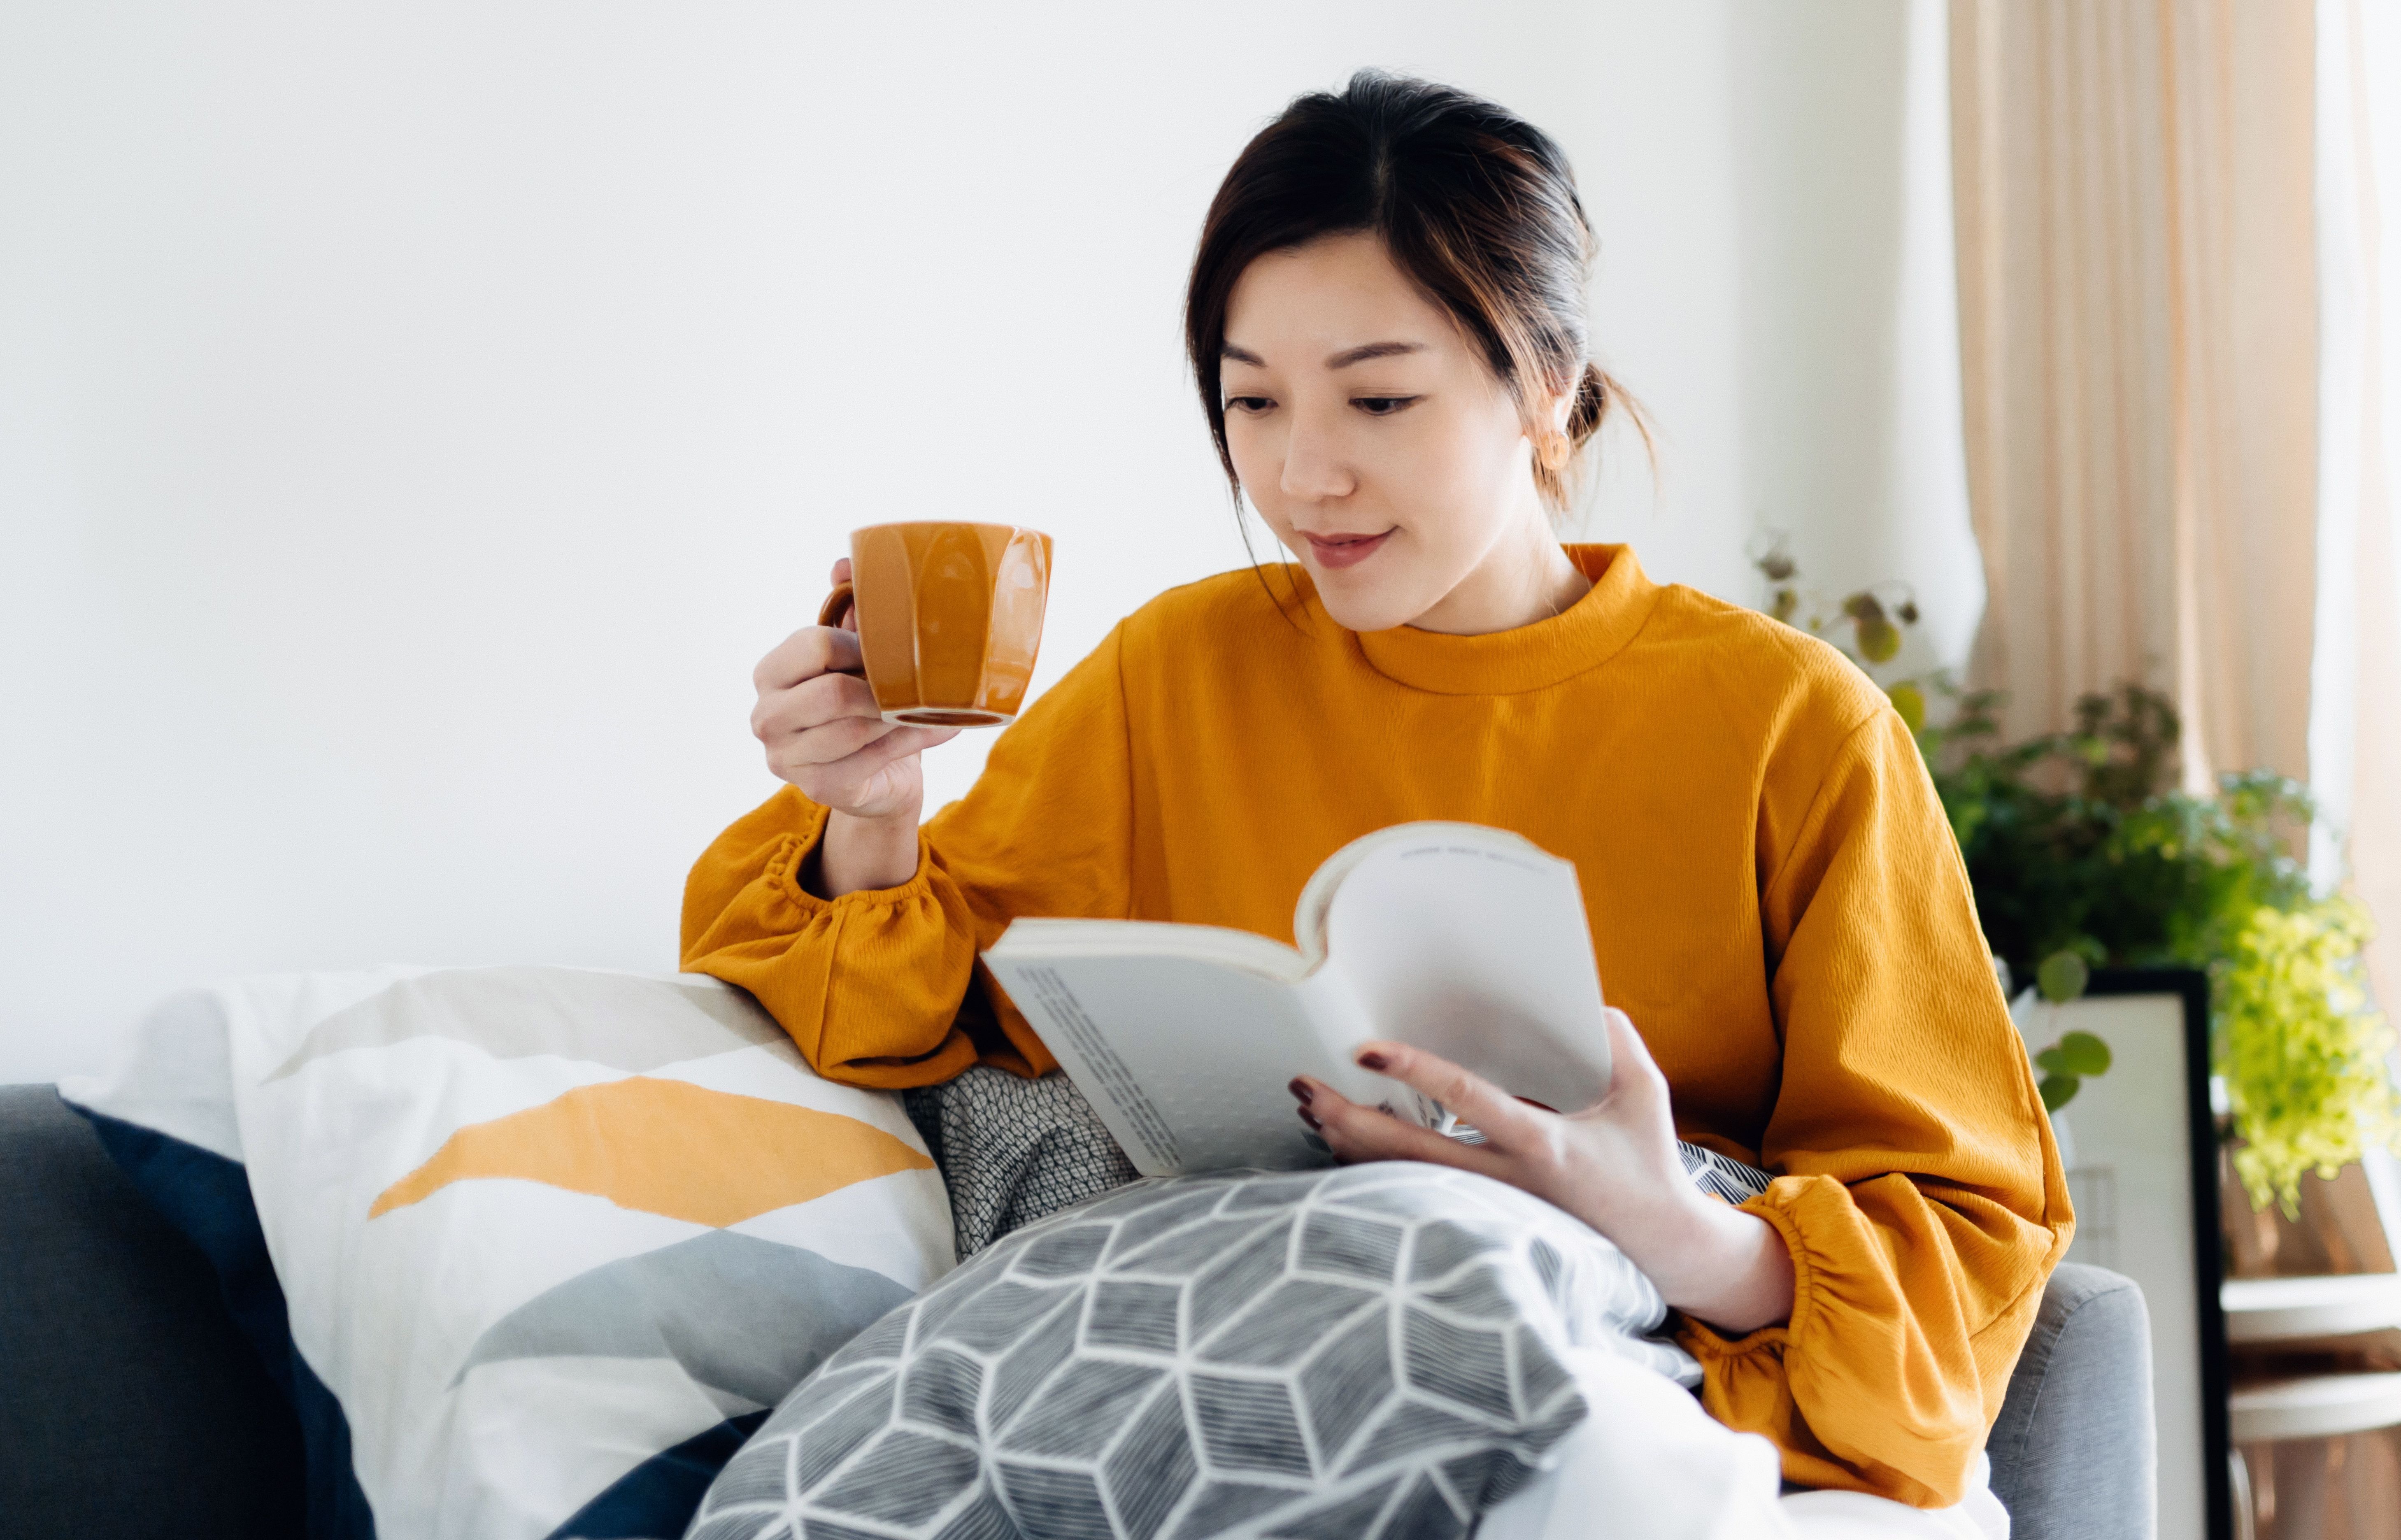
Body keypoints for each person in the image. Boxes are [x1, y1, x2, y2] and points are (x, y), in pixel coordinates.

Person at [681, 70, 2066, 1526]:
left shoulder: (1792, 726)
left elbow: (1968, 1243)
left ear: (1543, 384)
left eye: (1380, 397)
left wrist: (1676, 1233)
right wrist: (877, 810)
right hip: (1221, 1341)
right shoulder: (1180, 672)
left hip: (1603, 1332)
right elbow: (904, 1011)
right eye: (1252, 402)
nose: (1302, 474)